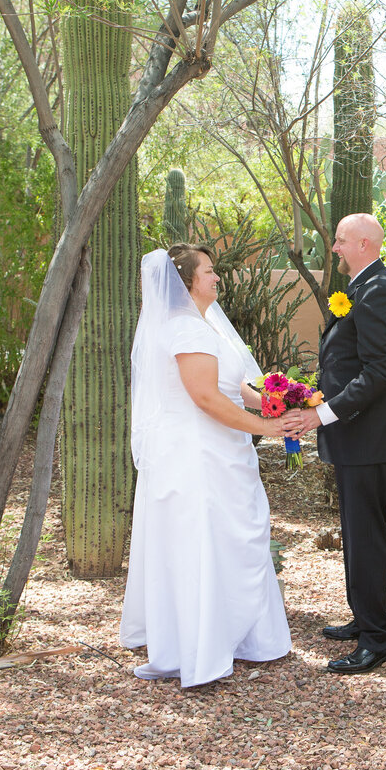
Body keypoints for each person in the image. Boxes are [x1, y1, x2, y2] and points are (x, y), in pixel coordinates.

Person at [120, 243, 292, 687]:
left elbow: (234, 385)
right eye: (210, 271)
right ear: (188, 282)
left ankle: (239, 637)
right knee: (202, 542)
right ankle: (199, 648)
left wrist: (281, 404)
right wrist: (265, 428)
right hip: (197, 455)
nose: (217, 278)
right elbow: (205, 397)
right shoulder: (186, 330)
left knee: (232, 541)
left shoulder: (207, 326)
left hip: (223, 451)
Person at [284, 213, 386, 675]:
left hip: (373, 437)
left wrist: (319, 414)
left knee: (365, 536)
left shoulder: (378, 292)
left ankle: (379, 640)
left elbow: (379, 374)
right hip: (361, 434)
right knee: (358, 532)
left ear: (363, 243)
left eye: (340, 241)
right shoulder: (367, 287)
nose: (335, 248)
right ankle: (366, 622)